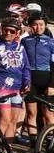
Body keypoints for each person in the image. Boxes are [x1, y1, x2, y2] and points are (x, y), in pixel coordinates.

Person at [0, 19, 31, 142]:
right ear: (1, 30)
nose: (8, 33)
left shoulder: (20, 47)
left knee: (13, 120)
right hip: (1, 86)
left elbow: (25, 66)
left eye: (12, 31)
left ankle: (8, 151)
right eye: (6, 30)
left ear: (17, 33)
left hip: (17, 87)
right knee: (4, 119)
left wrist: (27, 82)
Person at [22, 12, 54, 141]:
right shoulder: (25, 41)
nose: (38, 27)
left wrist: (52, 85)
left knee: (49, 115)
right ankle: (34, 144)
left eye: (41, 24)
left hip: (47, 80)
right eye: (35, 24)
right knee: (31, 113)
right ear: (30, 26)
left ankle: (50, 145)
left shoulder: (51, 42)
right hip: (31, 81)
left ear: (45, 26)